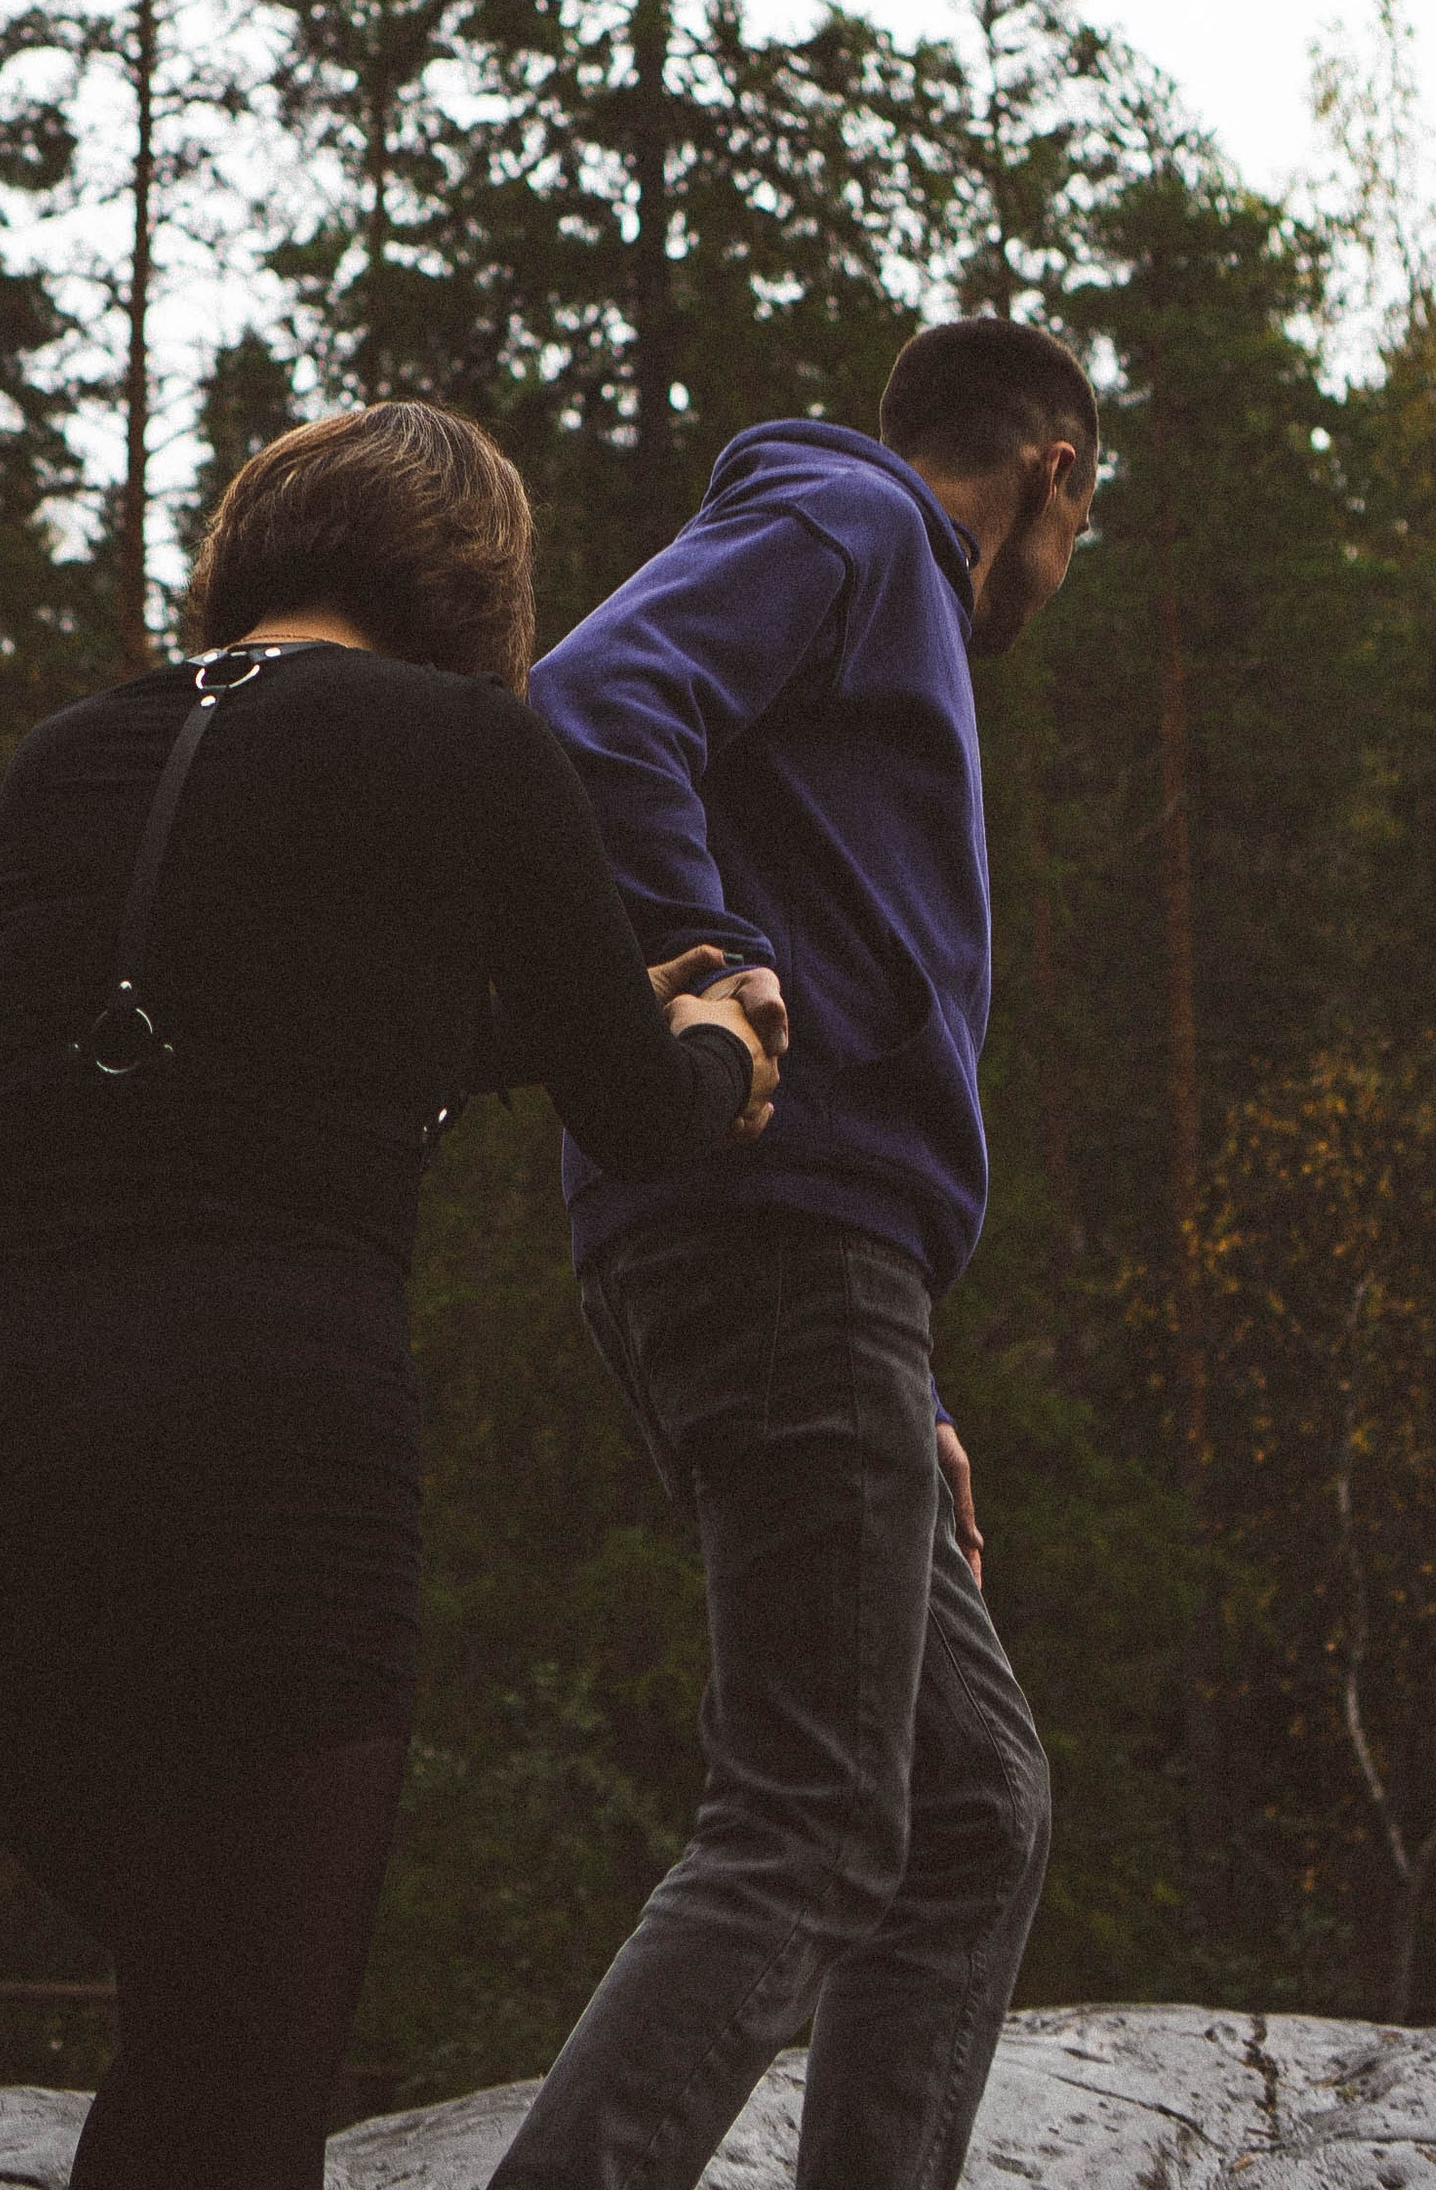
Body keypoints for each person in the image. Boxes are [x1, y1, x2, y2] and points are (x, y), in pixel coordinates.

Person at [0, 401, 781, 2190]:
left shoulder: (67, 755)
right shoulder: (467, 745)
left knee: (187, 2042)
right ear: (483, 595)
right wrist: (720, 1046)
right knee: (237, 2080)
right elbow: (647, 1123)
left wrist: (547, 1028)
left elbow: (271, 1046)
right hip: (255, 1455)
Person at [489, 314, 1098, 2190]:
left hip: (822, 1268)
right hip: (775, 1235)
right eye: (1088, 517)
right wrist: (709, 963)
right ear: (1055, 477)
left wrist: (899, 1378)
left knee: (973, 1807)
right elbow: (591, 704)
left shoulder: (860, 570)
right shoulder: (853, 520)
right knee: (819, 1818)